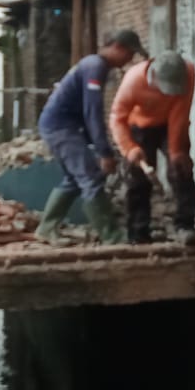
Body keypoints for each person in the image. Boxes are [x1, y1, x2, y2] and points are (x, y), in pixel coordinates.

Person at [35, 29, 146, 244]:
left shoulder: (92, 64)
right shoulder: (95, 67)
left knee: (74, 180)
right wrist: (104, 152)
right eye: (129, 53)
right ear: (117, 47)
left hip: (59, 125)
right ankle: (112, 237)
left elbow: (86, 114)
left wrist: (97, 145)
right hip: (61, 127)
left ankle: (46, 229)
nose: (130, 59)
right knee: (91, 179)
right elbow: (92, 112)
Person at [111, 51, 195, 246]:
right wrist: (129, 148)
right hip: (139, 126)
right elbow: (117, 118)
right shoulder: (133, 81)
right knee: (138, 180)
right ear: (153, 77)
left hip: (170, 124)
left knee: (181, 170)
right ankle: (138, 232)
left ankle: (185, 225)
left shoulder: (188, 73)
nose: (168, 93)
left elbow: (180, 112)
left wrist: (176, 151)